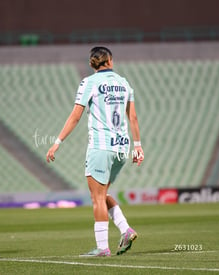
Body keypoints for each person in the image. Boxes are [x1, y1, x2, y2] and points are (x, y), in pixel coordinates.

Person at [46, 46, 144, 257]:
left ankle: (102, 248)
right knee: (103, 194)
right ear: (110, 61)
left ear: (92, 64)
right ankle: (125, 229)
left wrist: (57, 142)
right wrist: (138, 146)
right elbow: (133, 118)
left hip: (101, 147)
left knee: (97, 198)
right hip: (122, 148)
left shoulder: (89, 83)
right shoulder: (124, 83)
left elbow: (75, 116)